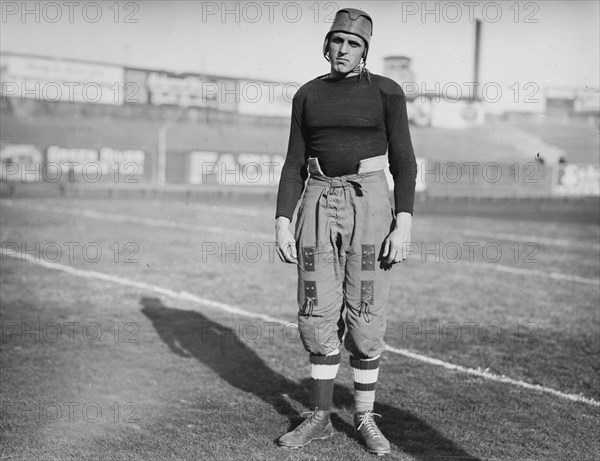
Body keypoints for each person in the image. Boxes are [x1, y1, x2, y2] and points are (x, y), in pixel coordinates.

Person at [274, 7, 417, 456]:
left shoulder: (386, 92)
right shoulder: (308, 95)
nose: (343, 49)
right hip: (317, 201)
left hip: (370, 205)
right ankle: (318, 416)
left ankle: (364, 416)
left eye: (353, 43)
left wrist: (404, 223)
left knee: (367, 311)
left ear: (364, 51)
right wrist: (282, 220)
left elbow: (405, 161)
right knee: (316, 309)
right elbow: (293, 162)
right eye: (337, 41)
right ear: (326, 44)